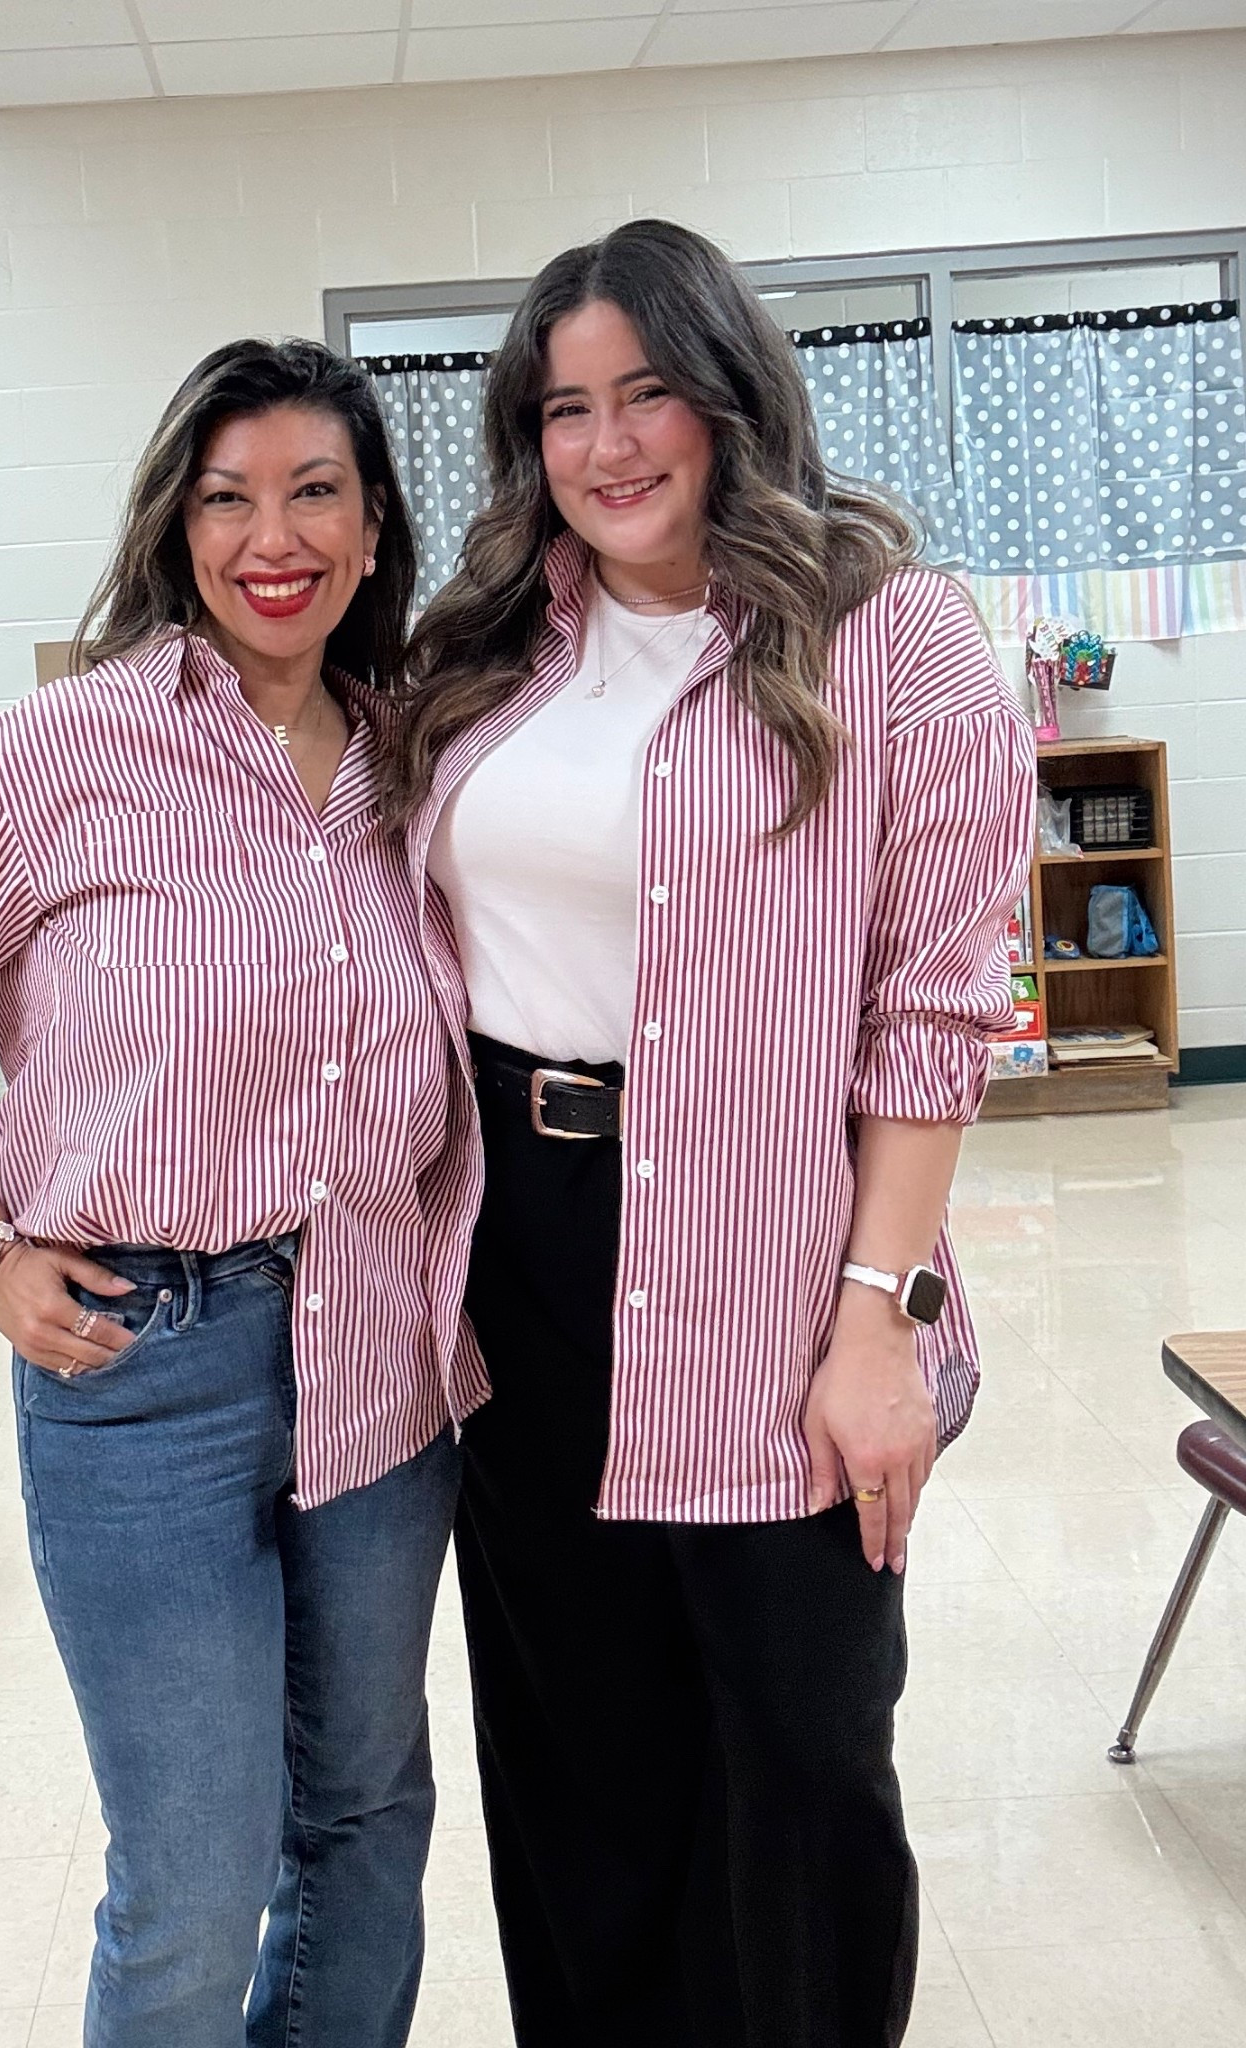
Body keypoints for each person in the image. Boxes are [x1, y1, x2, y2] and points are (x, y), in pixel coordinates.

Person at [384, 220, 1036, 2048]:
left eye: (647, 393)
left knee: (807, 1757)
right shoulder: (495, 649)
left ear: (731, 394)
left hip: (781, 1255)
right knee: (584, 1754)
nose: (607, 447)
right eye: (565, 408)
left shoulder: (887, 634)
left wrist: (879, 1315)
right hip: (521, 1251)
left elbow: (937, 1002)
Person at [0, 339, 488, 2048]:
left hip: (382, 1353)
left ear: (370, 519)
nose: (276, 536)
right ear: (176, 526)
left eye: (316, 490)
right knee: (193, 1870)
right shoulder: (55, 750)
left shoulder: (422, 755)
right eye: (229, 497)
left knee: (367, 1823)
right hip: (145, 1368)